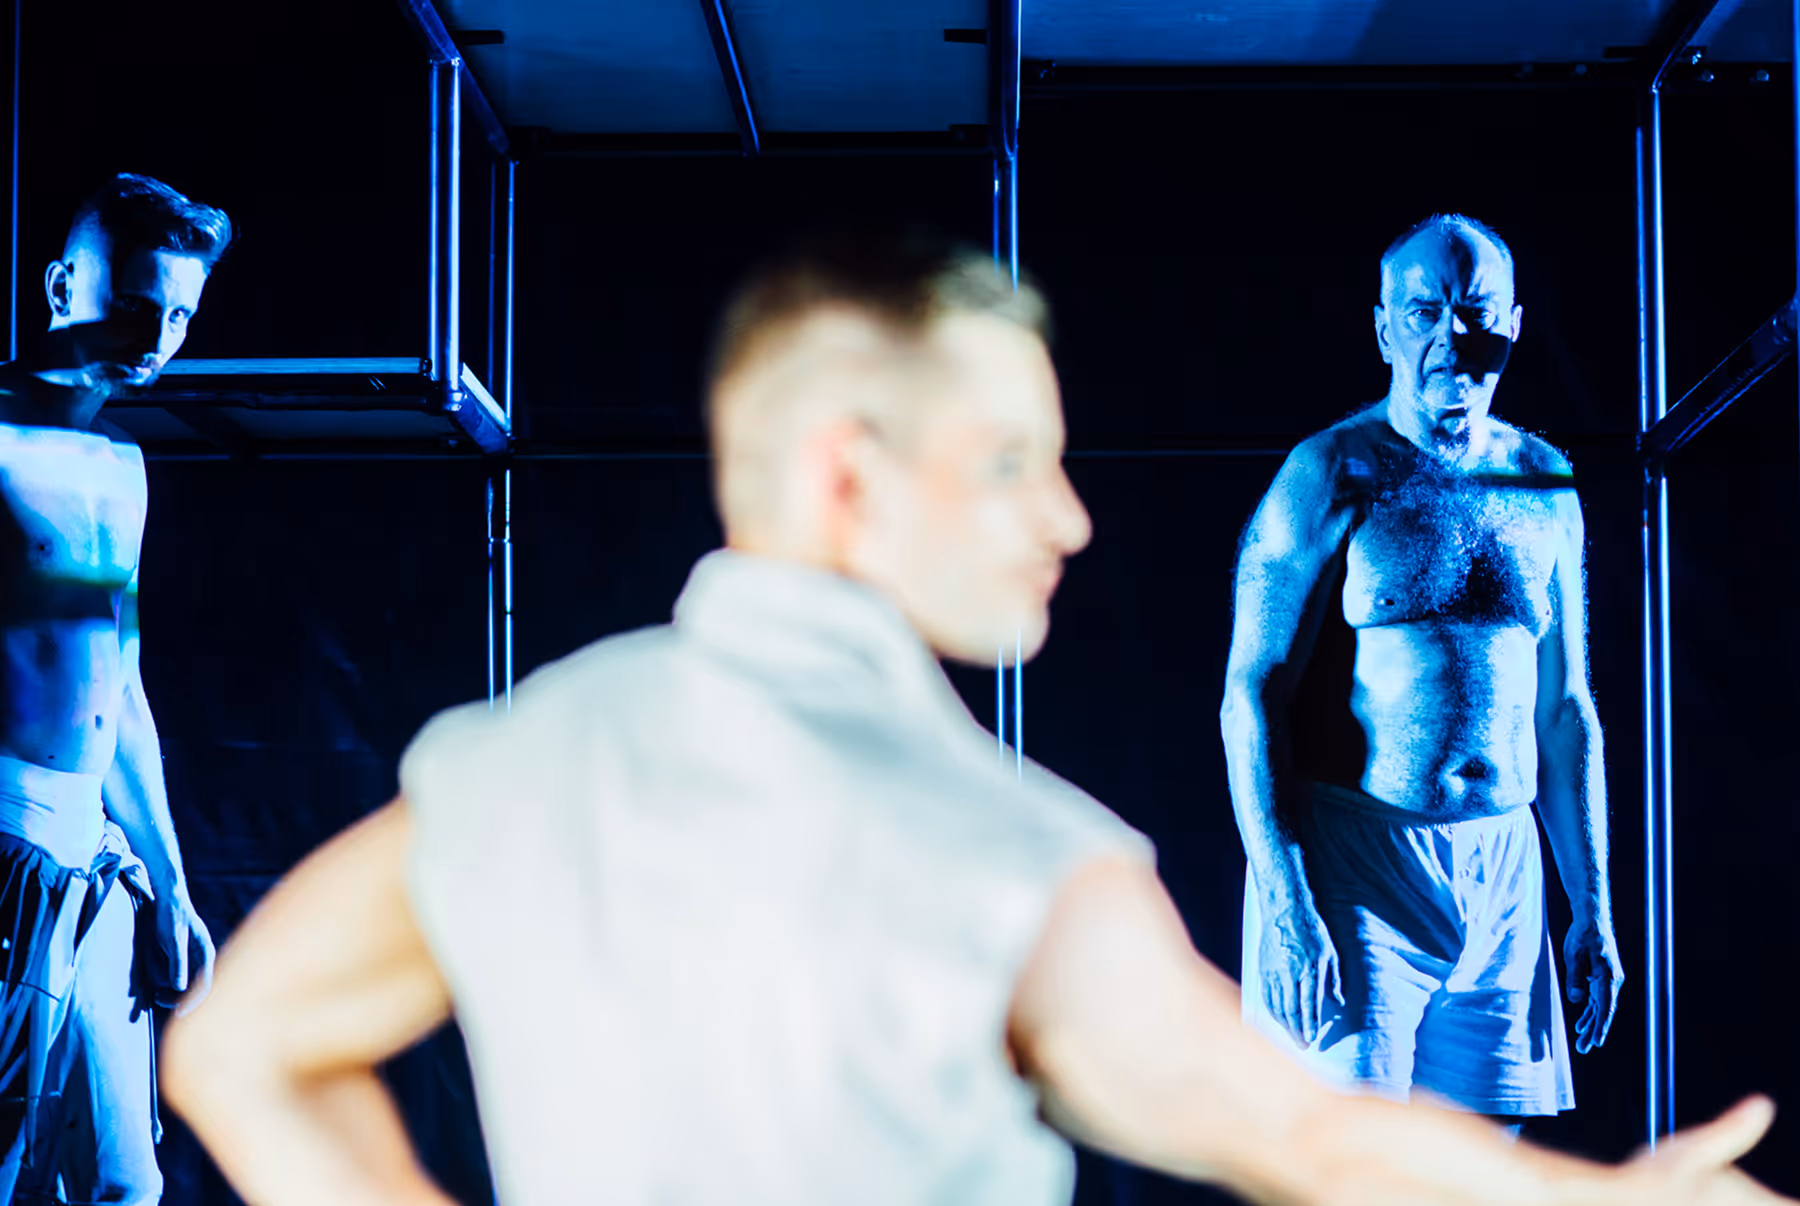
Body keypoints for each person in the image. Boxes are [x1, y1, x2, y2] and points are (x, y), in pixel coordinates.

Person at [161, 235, 1785, 1206]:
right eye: (1015, 459)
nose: (1072, 518)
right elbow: (1298, 1132)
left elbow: (238, 1049)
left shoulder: (511, 770)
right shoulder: (1012, 861)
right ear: (846, 472)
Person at [1222, 213, 1618, 1125]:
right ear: (1385, 326)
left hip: (1507, 865)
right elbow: (1250, 699)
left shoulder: (1545, 480)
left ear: (1513, 324)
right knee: (1353, 1167)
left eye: (1474, 311)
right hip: (1361, 859)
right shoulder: (1330, 473)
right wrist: (1285, 899)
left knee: (1484, 1167)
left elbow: (1566, 711)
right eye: (1424, 310)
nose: (1451, 336)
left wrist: (1589, 906)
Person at [0, 172, 229, 1203]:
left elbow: (119, 689)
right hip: (8, 852)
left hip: (96, 856)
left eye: (179, 313)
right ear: (61, 285)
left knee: (125, 1183)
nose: (158, 334)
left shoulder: (118, 462)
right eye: (137, 303)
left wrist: (173, 886)